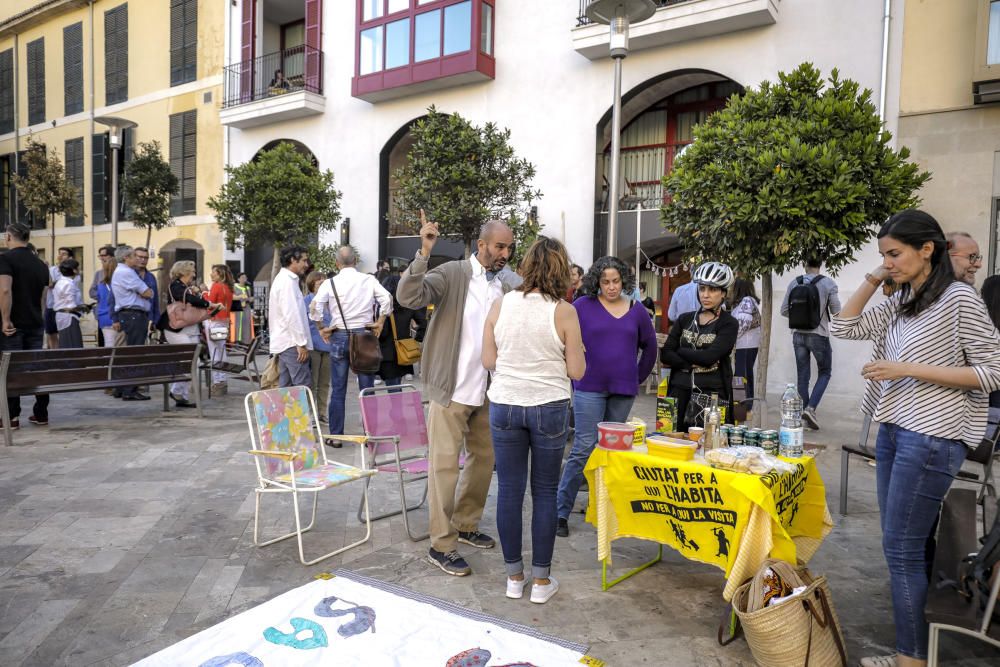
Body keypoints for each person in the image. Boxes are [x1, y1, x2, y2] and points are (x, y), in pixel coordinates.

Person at [831, 209, 1000, 667]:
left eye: (895, 253)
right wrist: (873, 276)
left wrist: (906, 368)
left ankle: (911, 660)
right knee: (909, 545)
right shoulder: (902, 299)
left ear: (927, 250)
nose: (889, 263)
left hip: (932, 438)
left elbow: (991, 372)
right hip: (895, 431)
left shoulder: (960, 299)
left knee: (901, 550)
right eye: (884, 254)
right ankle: (917, 651)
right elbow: (842, 327)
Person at [397, 210, 520, 576]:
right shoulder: (453, 273)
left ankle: (466, 524)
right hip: (451, 388)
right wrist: (423, 252)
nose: (505, 254)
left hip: (489, 389)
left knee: (484, 461)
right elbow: (408, 295)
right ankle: (441, 544)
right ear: (481, 244)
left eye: (509, 248)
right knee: (445, 467)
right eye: (500, 247)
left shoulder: (507, 284)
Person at [483, 237, 586, 604]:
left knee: (509, 491)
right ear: (561, 270)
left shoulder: (501, 304)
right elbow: (576, 369)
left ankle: (514, 577)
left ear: (526, 266)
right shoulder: (564, 311)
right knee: (544, 492)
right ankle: (541, 583)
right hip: (549, 406)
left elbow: (489, 360)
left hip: (505, 404)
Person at [555, 256, 657, 537]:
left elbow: (650, 348)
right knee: (584, 446)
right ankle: (560, 511)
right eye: (605, 282)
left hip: (623, 390)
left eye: (616, 281)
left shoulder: (637, 311)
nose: (611, 287)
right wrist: (572, 370)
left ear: (624, 280)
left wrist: (637, 377)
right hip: (589, 386)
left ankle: (603, 510)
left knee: (613, 453)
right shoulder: (582, 307)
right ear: (596, 282)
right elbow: (564, 340)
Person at [310, 246, 391, 433]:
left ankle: (336, 435)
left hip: (339, 336)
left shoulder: (330, 284)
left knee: (338, 390)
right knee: (366, 390)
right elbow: (387, 299)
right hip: (364, 336)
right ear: (355, 261)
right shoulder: (368, 279)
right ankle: (370, 435)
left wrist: (321, 328)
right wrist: (380, 321)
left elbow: (314, 308)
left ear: (337, 263)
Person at [661, 262, 739, 432]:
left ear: (723, 293)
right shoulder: (684, 319)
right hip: (677, 391)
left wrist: (679, 351)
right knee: (670, 441)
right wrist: (690, 363)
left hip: (711, 396)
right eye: (702, 289)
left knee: (709, 447)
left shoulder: (729, 323)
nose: (706, 294)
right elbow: (665, 354)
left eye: (712, 290)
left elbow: (709, 357)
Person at [780, 257, 841, 430]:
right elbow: (836, 310)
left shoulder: (794, 283)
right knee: (825, 371)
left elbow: (784, 310)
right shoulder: (828, 283)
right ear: (820, 264)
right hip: (819, 334)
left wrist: (799, 316)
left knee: (802, 376)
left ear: (804, 264)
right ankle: (811, 408)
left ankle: (803, 415)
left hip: (798, 334)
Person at [0, 223, 51, 428]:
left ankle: (10, 417)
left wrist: (5, 319)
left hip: (13, 326)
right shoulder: (41, 264)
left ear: (9, 237)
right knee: (34, 367)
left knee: (10, 370)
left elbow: (5, 291)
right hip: (35, 322)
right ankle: (41, 413)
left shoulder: (5, 259)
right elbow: (43, 299)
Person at [158, 260, 219, 408]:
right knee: (192, 362)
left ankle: (181, 395)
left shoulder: (187, 288)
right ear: (184, 272)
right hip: (175, 330)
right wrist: (208, 304)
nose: (194, 274)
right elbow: (191, 300)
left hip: (188, 329)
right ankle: (177, 391)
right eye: (192, 271)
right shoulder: (176, 286)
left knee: (188, 362)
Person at [111, 245, 153, 401]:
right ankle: (130, 389)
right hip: (134, 315)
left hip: (129, 315)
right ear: (126, 258)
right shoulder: (127, 273)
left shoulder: (120, 272)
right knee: (135, 353)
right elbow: (148, 292)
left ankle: (121, 388)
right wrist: (146, 293)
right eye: (134, 256)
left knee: (128, 352)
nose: (138, 259)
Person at [269, 246, 313, 390]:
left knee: (287, 388)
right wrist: (301, 343)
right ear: (293, 260)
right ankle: (302, 414)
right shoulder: (287, 282)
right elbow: (292, 315)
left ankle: (287, 414)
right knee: (302, 387)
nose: (306, 265)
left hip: (287, 342)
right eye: (304, 261)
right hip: (292, 343)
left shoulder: (286, 280)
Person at [376, 271, 420, 388]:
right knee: (397, 386)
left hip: (387, 355)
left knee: (392, 388)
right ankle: (397, 406)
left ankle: (396, 407)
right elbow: (423, 323)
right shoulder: (408, 305)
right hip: (404, 352)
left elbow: (383, 333)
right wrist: (416, 340)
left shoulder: (384, 308)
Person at [304, 271, 331, 422]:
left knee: (325, 382)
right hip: (313, 346)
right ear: (312, 285)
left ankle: (322, 413)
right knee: (312, 382)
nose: (323, 285)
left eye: (324, 282)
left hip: (329, 347)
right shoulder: (306, 301)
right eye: (320, 283)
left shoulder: (329, 302)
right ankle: (311, 413)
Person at [728, 278, 761, 399]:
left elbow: (743, 323)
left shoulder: (746, 301)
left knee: (741, 376)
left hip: (745, 344)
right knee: (745, 375)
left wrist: (730, 338)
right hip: (748, 344)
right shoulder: (748, 302)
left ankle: (741, 404)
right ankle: (745, 404)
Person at [204, 265, 235, 394]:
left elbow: (210, 304)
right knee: (221, 352)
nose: (211, 274)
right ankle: (222, 380)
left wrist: (204, 293)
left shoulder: (216, 286)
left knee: (215, 353)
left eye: (213, 272)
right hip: (224, 322)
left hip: (215, 321)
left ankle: (218, 382)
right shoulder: (228, 287)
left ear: (219, 274)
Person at [44, 246, 75, 349]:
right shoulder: (52, 269)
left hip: (63, 308)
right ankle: (54, 357)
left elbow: (52, 284)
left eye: (64, 254)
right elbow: (47, 284)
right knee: (51, 334)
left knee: (63, 335)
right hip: (50, 305)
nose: (60, 256)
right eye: (59, 253)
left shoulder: (73, 271)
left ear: (70, 258)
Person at [52, 259, 84, 349]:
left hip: (62, 316)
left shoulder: (61, 281)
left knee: (66, 343)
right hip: (69, 317)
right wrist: (84, 308)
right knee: (72, 345)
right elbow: (71, 305)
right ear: (74, 270)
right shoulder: (68, 284)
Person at [90, 244, 115, 346]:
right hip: (103, 314)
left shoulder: (119, 272)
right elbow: (92, 291)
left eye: (104, 255)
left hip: (116, 315)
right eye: (100, 256)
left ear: (112, 256)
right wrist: (103, 297)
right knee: (104, 343)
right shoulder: (98, 274)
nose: (101, 258)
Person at [95, 254, 119, 350]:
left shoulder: (101, 285)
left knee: (108, 345)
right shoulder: (119, 284)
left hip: (103, 317)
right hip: (115, 318)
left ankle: (107, 364)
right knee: (118, 348)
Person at [134, 247, 159, 337]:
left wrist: (156, 320)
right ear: (133, 257)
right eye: (140, 257)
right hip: (133, 318)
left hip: (149, 318)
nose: (143, 260)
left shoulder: (151, 277)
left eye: (146, 258)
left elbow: (155, 299)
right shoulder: (129, 275)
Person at [231, 272, 254, 344]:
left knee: (246, 324)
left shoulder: (247, 288)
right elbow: (232, 297)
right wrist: (240, 297)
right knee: (238, 324)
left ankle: (246, 341)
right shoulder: (234, 287)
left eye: (245, 278)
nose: (244, 279)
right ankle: (237, 340)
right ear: (238, 279)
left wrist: (250, 299)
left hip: (246, 307)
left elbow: (249, 297)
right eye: (242, 277)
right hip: (237, 307)